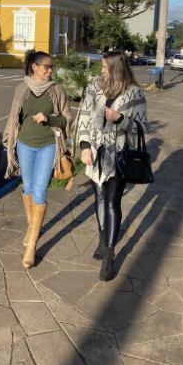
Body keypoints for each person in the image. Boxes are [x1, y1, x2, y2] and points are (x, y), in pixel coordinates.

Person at [78, 50, 147, 281]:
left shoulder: (134, 93)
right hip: (94, 154)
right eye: (102, 67)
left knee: (111, 202)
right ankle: (101, 239)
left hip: (118, 156)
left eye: (106, 67)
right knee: (98, 197)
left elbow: (141, 128)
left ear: (117, 68)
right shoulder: (94, 87)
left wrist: (120, 119)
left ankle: (109, 255)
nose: (102, 71)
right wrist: (84, 146)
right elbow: (84, 117)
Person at [3, 50, 72, 269]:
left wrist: (49, 118)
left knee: (40, 193)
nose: (50, 70)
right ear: (34, 67)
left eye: (52, 67)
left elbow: (67, 118)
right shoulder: (21, 89)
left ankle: (31, 245)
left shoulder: (57, 90)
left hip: (48, 146)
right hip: (25, 144)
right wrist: (9, 140)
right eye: (46, 67)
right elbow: (14, 118)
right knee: (28, 188)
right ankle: (33, 227)